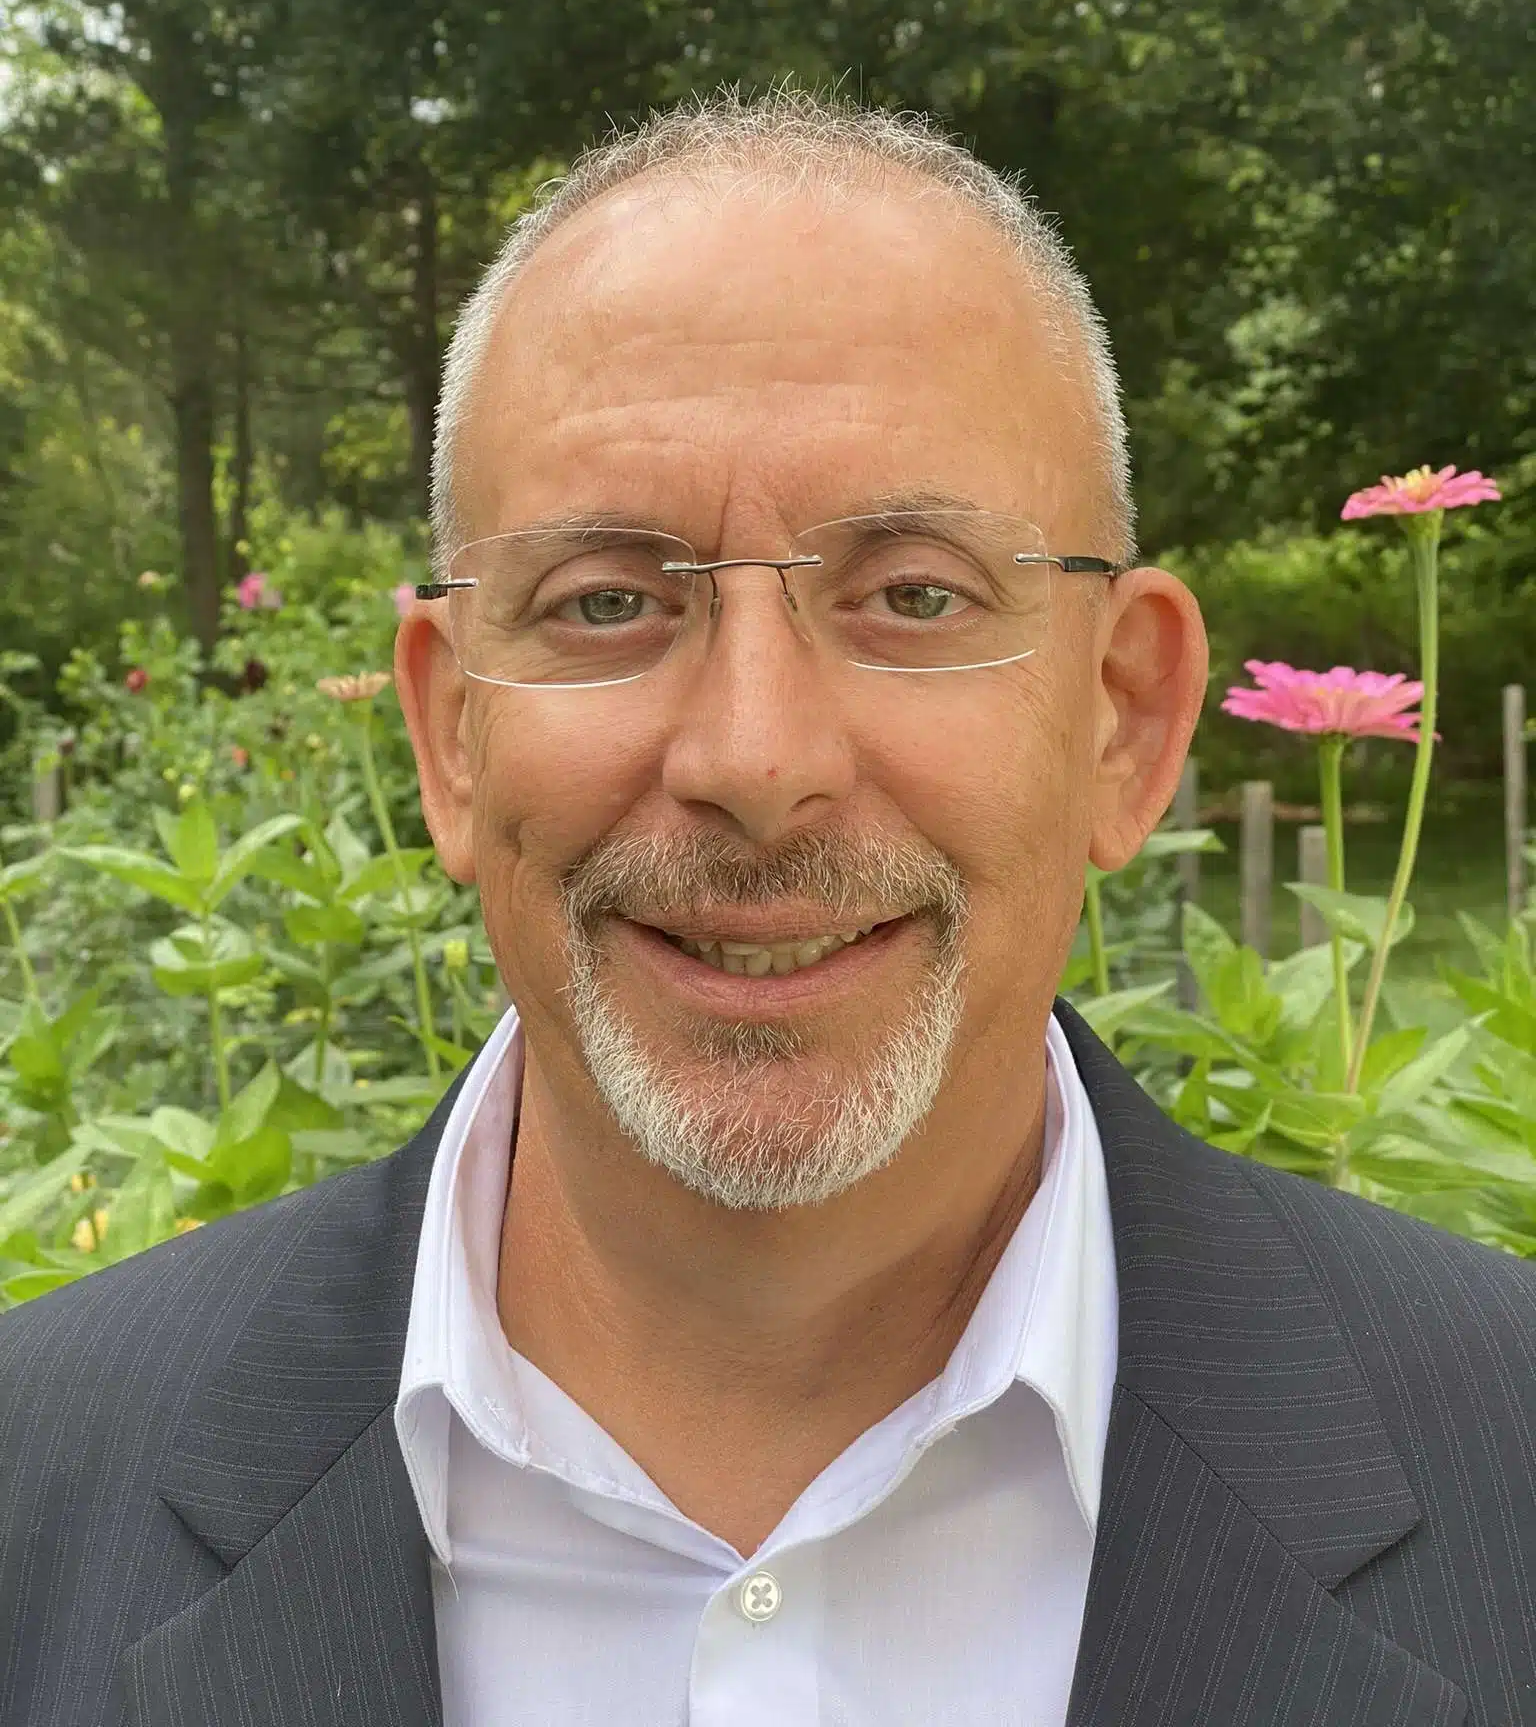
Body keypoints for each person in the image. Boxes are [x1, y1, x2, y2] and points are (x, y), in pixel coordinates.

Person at [1, 91, 1531, 1727]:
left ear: (1125, 720)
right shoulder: (36, 1489)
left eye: (916, 596)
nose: (754, 758)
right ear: (450, 735)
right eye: (606, 603)